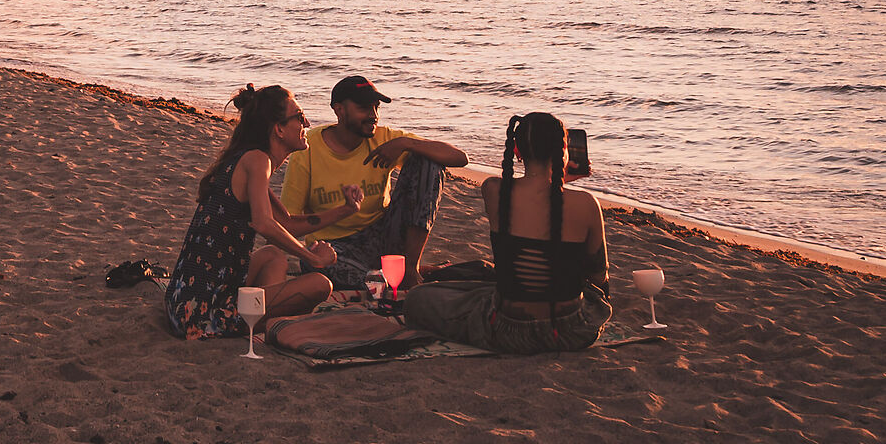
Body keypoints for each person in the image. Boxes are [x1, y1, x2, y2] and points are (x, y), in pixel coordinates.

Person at [404, 112, 611, 354]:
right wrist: (561, 176)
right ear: (564, 148)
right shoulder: (587, 203)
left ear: (516, 150)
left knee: (418, 298)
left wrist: (559, 176)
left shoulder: (494, 190)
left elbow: (536, 197)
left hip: (505, 331)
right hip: (569, 332)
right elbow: (598, 276)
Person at [164, 85, 349, 339]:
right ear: (279, 128)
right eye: (299, 115)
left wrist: (347, 210)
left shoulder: (248, 159)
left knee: (274, 256)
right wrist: (312, 258)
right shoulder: (257, 160)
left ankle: (260, 319)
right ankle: (262, 321)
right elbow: (263, 224)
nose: (306, 122)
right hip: (199, 315)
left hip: (182, 300)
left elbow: (286, 223)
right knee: (319, 284)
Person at [281, 75, 467, 292]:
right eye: (363, 107)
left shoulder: (384, 138)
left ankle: (409, 268)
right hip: (335, 247)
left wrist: (405, 143)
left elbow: (459, 157)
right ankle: (392, 277)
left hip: (384, 235)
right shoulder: (308, 149)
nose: (373, 115)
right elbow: (287, 224)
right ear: (339, 110)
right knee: (315, 262)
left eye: (376, 107)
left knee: (427, 160)